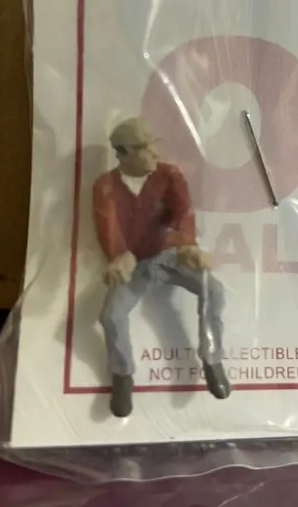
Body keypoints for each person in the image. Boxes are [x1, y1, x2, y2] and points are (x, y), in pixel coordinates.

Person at [92, 117, 230, 417]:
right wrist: (120, 256)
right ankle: (122, 374)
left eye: (153, 144)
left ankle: (212, 358)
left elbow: (184, 213)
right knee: (111, 315)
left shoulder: (169, 175)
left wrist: (187, 246)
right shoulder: (105, 187)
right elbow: (108, 227)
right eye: (144, 147)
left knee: (214, 291)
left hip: (171, 256)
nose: (154, 152)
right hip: (137, 265)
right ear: (124, 152)